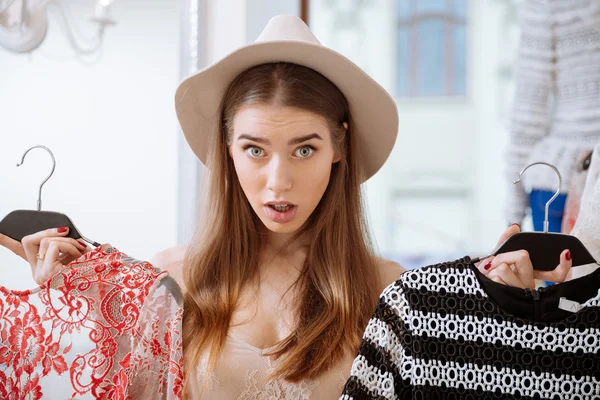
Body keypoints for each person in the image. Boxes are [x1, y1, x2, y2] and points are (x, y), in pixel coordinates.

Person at [0, 15, 574, 399]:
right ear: (227, 151)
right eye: (254, 149)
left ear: (339, 148)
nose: (278, 182)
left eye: (304, 148)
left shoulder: (392, 293)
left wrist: (508, 313)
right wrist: (70, 304)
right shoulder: (171, 284)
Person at [505, 0, 600, 231]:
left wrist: (513, 215)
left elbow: (529, 105)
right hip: (567, 177)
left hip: (563, 177)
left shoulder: (546, 4)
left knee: (554, 267)